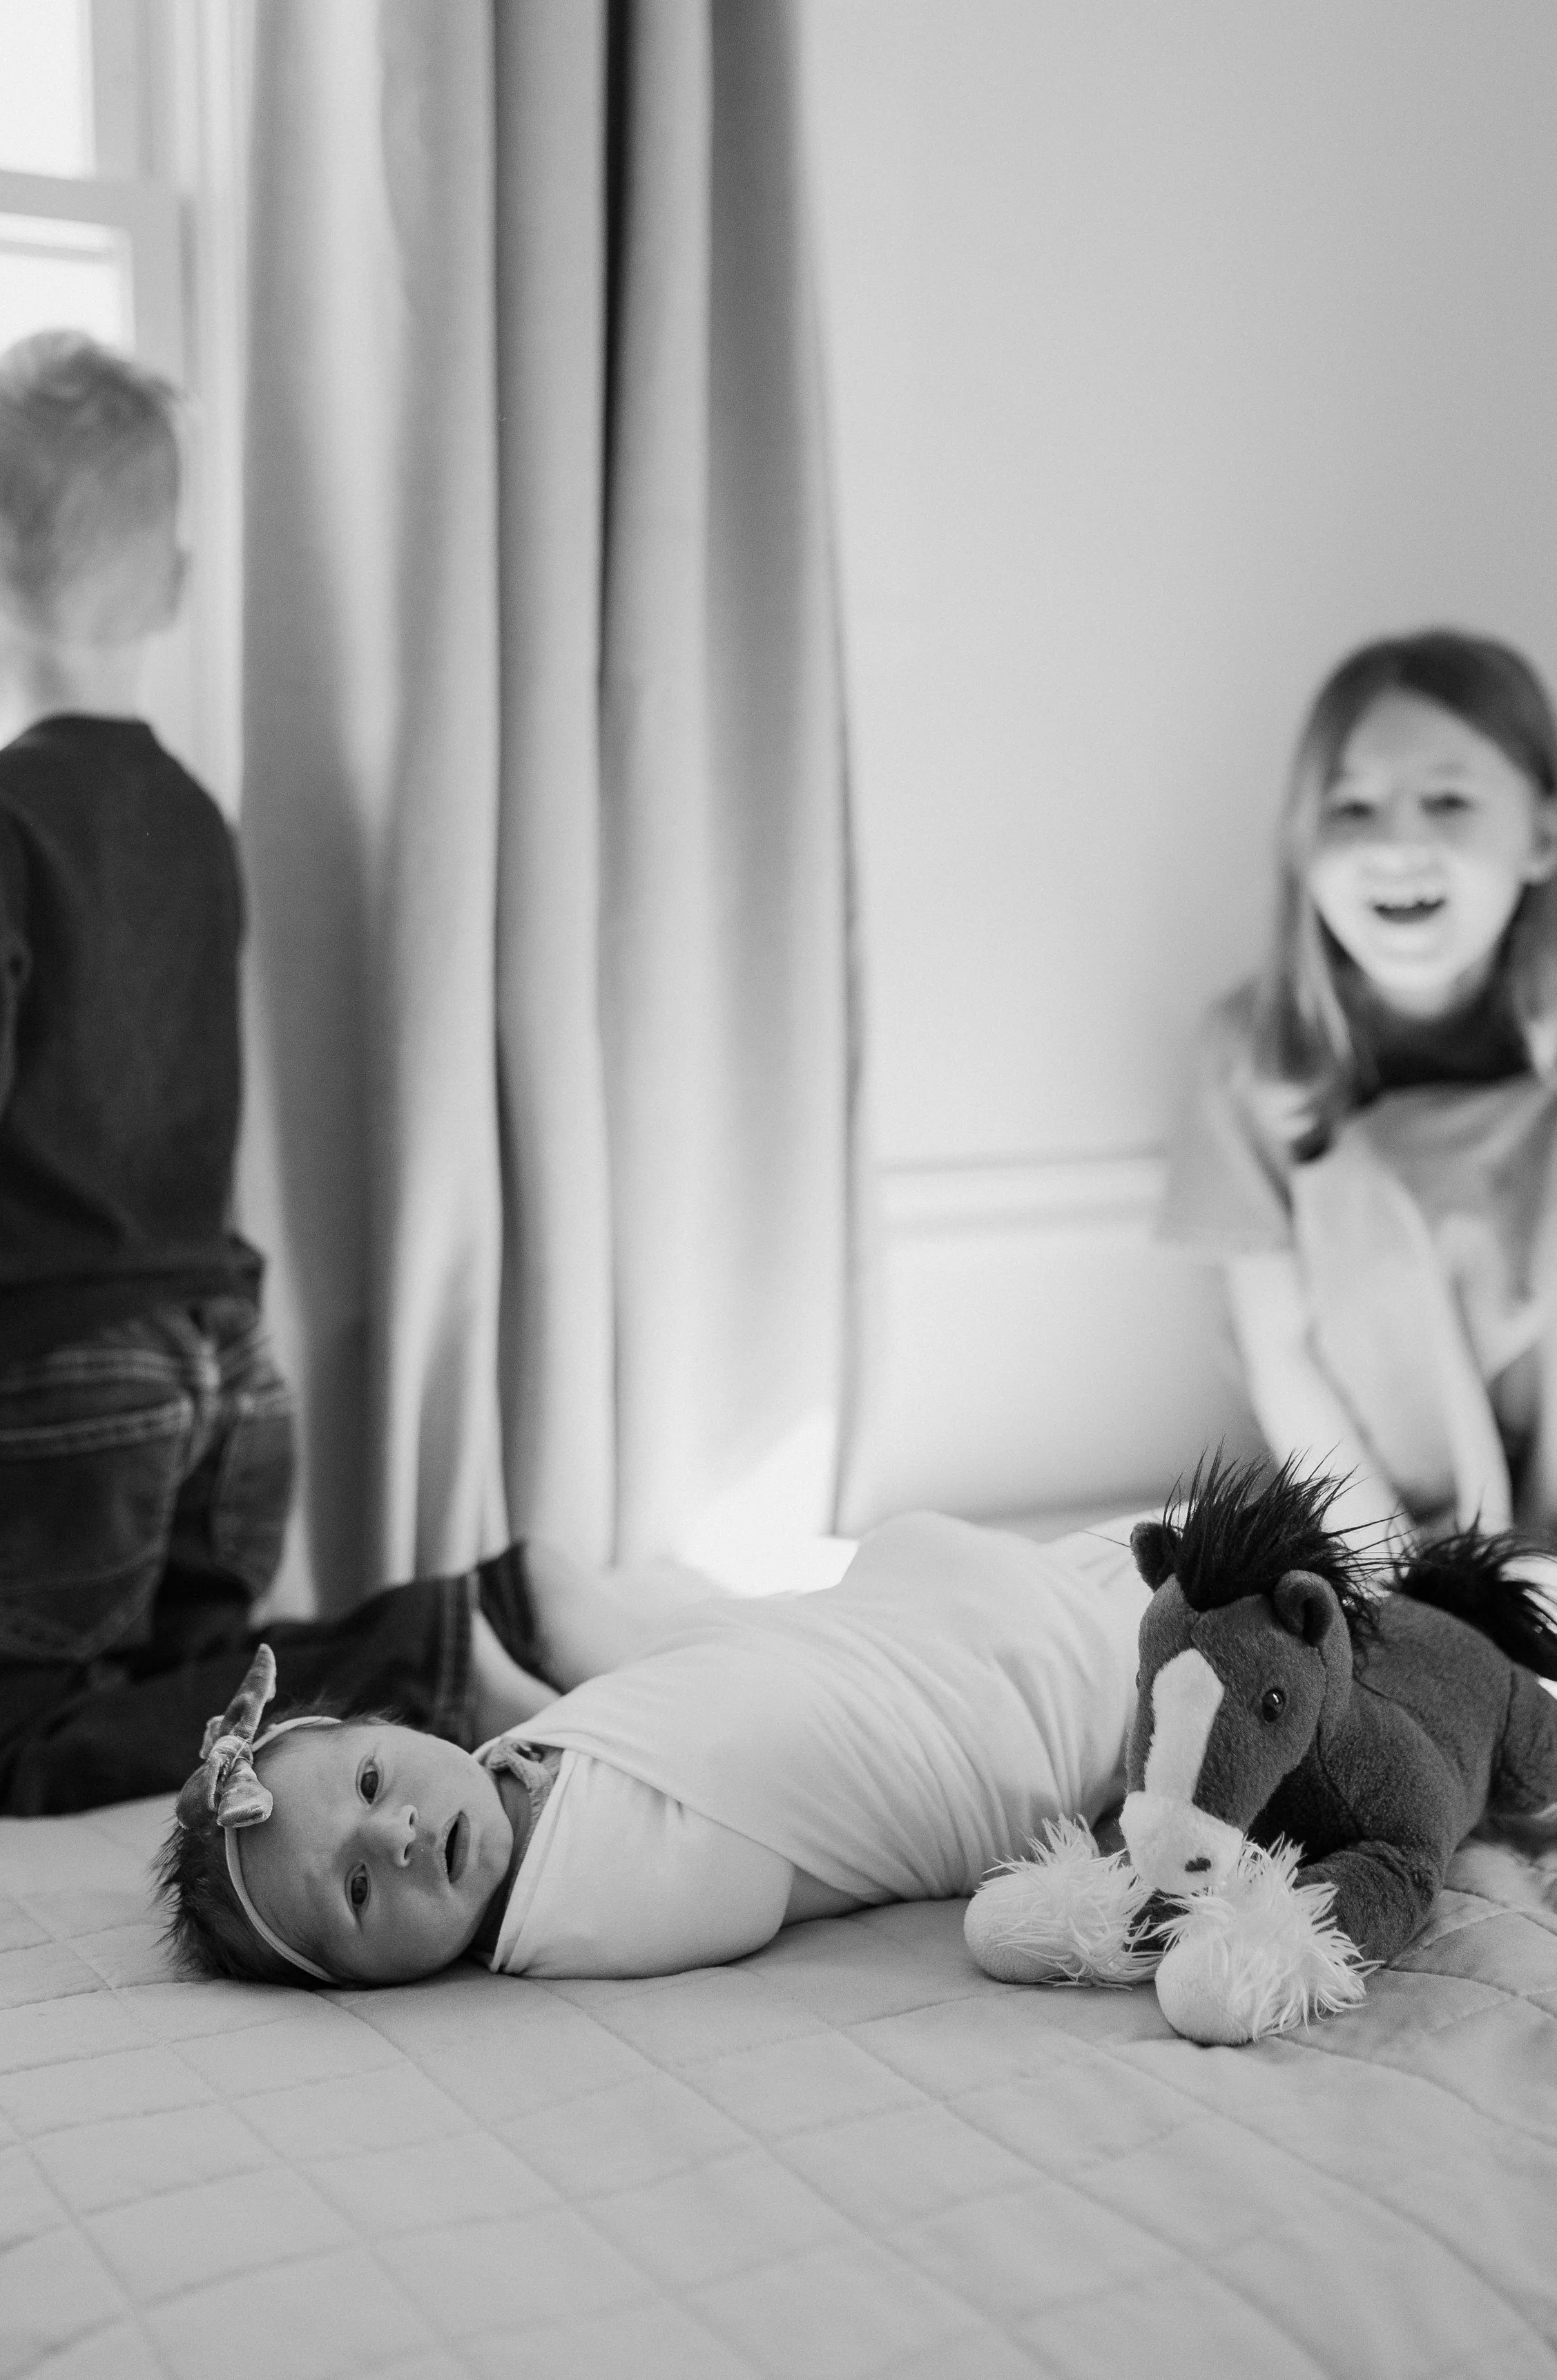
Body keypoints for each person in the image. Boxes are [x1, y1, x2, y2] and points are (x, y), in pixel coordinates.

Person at [0, 329, 587, 1815]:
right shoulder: (187, 816)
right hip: (226, 1364)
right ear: (173, 583)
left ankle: (427, 1650)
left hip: (50, 1379)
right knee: (213, 1724)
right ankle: (468, 1628)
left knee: (4, 1753)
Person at [156, 1511, 1150, 1987]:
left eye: (371, 1779)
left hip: (900, 1634)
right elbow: (739, 1831)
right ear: (362, 1983)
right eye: (358, 1889)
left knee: (1099, 1566)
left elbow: (674, 1695)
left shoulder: (506, 1772)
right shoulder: (571, 1908)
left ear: (397, 1723)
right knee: (1107, 1647)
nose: (397, 1833)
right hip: (973, 1734)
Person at [1161, 629, 1557, 1557]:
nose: (1396, 844)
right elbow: (1281, 1353)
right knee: (1356, 1179)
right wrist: (1391, 1575)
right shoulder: (1252, 1058)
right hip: (1383, 1495)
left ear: (1542, 836)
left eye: (1448, 800)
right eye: (1352, 808)